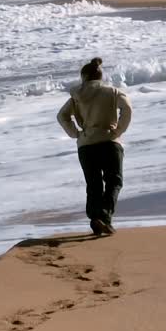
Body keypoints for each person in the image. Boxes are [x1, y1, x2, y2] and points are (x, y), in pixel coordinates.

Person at [56, 57, 132, 236]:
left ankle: (94, 218)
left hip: (86, 145)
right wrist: (118, 130)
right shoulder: (112, 91)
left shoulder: (76, 96)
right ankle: (104, 217)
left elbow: (62, 116)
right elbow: (127, 109)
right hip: (109, 141)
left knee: (94, 183)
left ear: (84, 77)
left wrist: (76, 133)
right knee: (114, 181)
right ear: (100, 76)